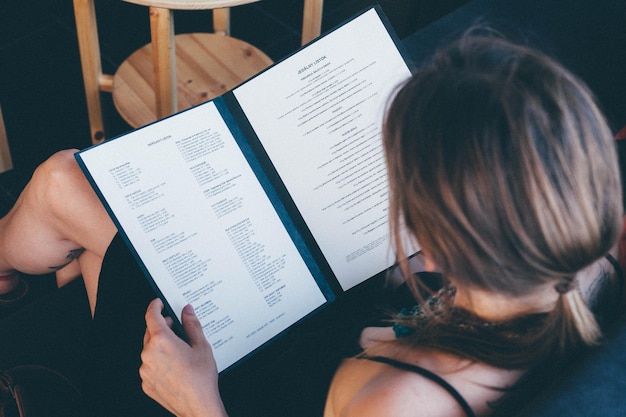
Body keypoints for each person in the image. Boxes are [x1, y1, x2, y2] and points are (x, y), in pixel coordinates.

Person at [0, 33, 623, 417]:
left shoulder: (393, 404)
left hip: (208, 389)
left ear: (441, 242)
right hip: (308, 345)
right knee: (80, 213)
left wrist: (195, 400)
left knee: (64, 184)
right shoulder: (586, 255)